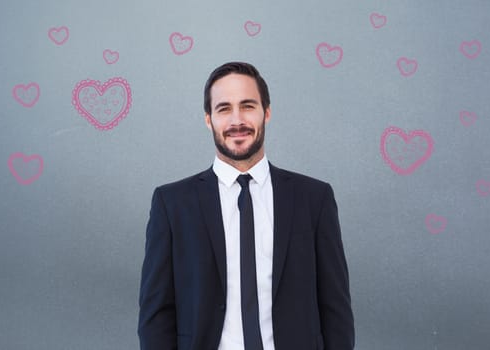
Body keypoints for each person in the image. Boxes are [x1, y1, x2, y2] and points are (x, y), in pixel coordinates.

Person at [138, 62, 355, 350]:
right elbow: (156, 315)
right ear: (208, 119)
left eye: (248, 106)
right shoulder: (172, 204)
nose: (236, 120)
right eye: (224, 108)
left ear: (267, 112)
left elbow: (335, 309)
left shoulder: (315, 199)